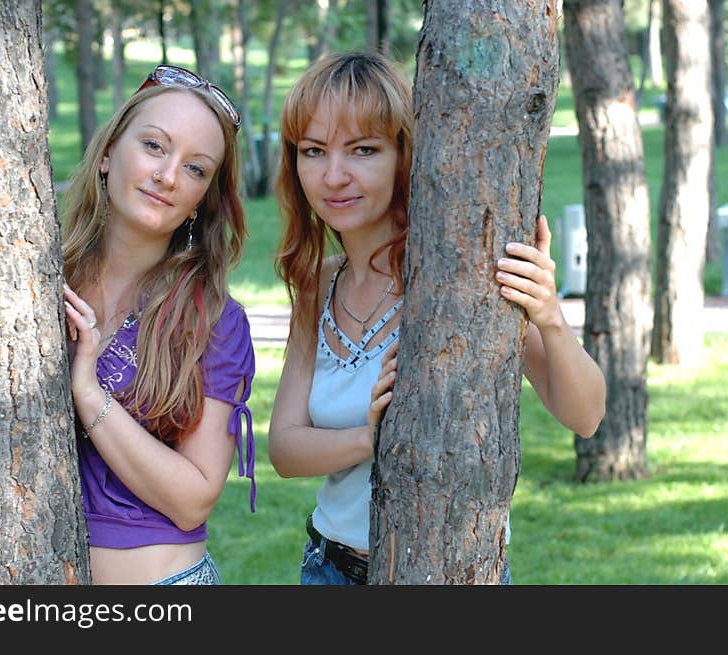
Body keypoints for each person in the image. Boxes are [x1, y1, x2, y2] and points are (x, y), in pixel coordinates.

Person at [268, 51, 607, 585]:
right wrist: (371, 438)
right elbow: (284, 448)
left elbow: (586, 415)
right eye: (314, 151)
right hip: (328, 571)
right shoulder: (318, 284)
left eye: (363, 150)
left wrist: (549, 318)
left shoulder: (457, 276)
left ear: (404, 154)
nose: (334, 176)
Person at [61, 65, 256, 585]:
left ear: (203, 200)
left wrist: (88, 393)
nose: (169, 176)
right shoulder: (35, 284)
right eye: (154, 146)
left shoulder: (214, 319)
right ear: (107, 153)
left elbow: (195, 499)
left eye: (196, 169)